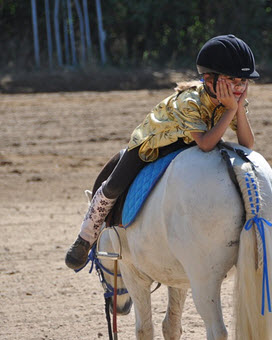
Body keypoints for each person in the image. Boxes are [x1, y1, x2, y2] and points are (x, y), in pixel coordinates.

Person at [65, 34, 260, 270]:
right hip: (151, 143)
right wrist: (230, 109)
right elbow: (206, 144)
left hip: (186, 144)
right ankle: (85, 237)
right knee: (114, 185)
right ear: (209, 79)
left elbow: (247, 143)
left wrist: (237, 108)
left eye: (244, 81)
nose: (239, 87)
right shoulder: (190, 101)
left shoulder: (233, 99)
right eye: (232, 80)